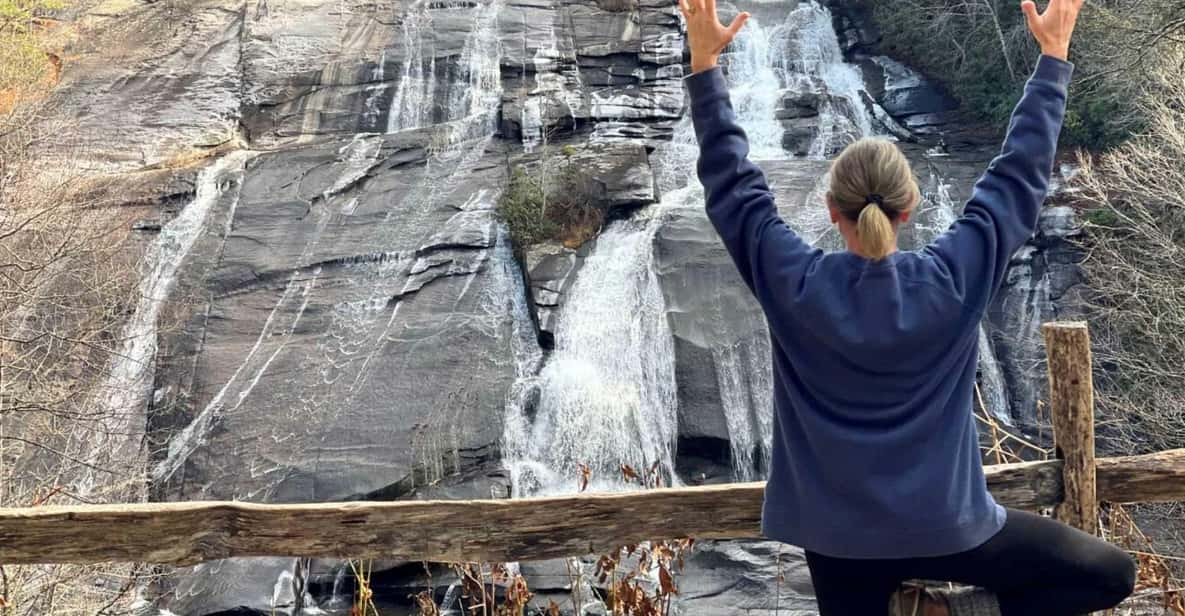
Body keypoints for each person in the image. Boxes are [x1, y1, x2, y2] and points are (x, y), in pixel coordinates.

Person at [679, 0, 1138, 614]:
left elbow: (732, 189)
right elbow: (1017, 180)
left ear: (830, 208)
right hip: (951, 529)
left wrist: (704, 64)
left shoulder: (794, 282)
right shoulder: (951, 279)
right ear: (910, 207)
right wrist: (1052, 60)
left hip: (839, 547)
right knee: (1111, 573)